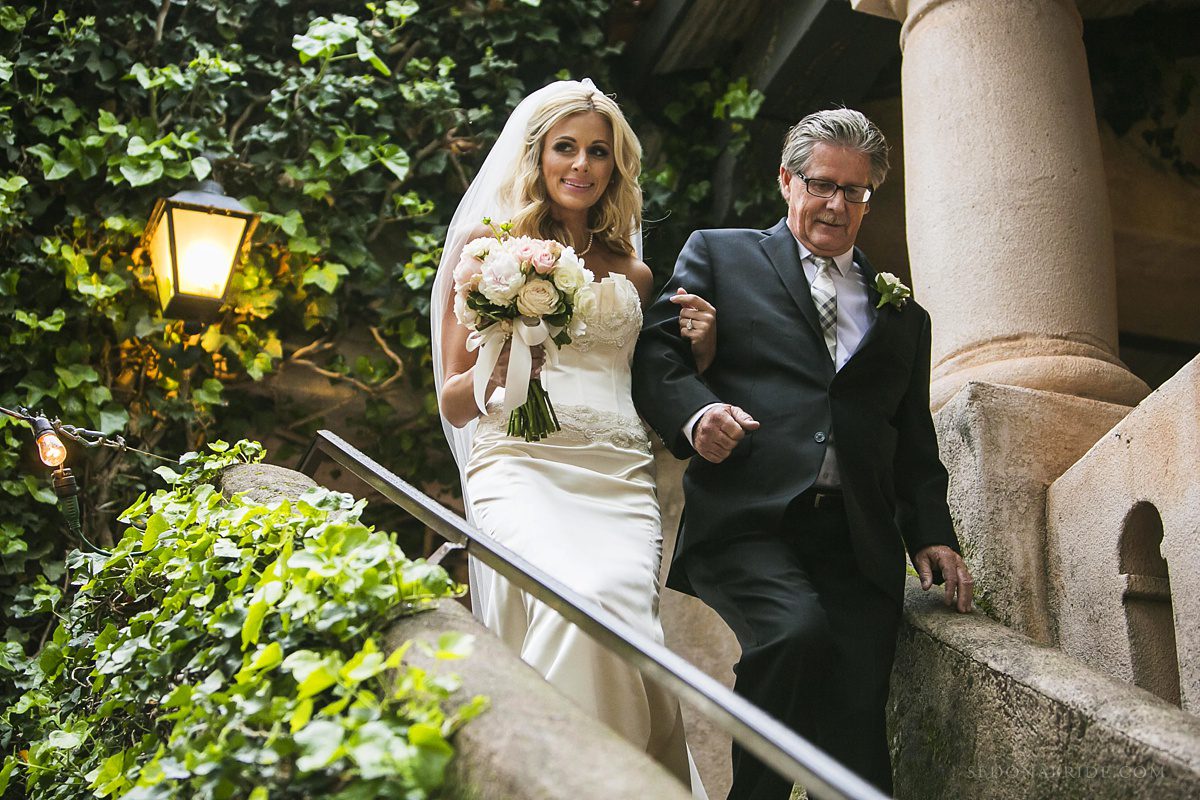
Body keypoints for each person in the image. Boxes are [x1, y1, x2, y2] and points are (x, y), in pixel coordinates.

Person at [631, 108, 975, 800]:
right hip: (748, 519)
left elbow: (910, 437)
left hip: (858, 540)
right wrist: (699, 416)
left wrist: (932, 533)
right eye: (822, 184)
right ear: (787, 181)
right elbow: (658, 357)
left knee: (854, 724)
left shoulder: (904, 315)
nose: (836, 204)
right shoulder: (720, 255)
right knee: (792, 635)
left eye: (855, 191)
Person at [431, 79, 710, 796]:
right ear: (538, 156)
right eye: (566, 148)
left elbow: (649, 386)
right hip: (520, 465)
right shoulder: (487, 252)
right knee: (571, 599)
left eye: (598, 152)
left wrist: (700, 352)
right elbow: (455, 399)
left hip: (617, 477)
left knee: (614, 602)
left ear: (616, 167)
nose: (581, 164)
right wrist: (511, 357)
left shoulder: (635, 272)